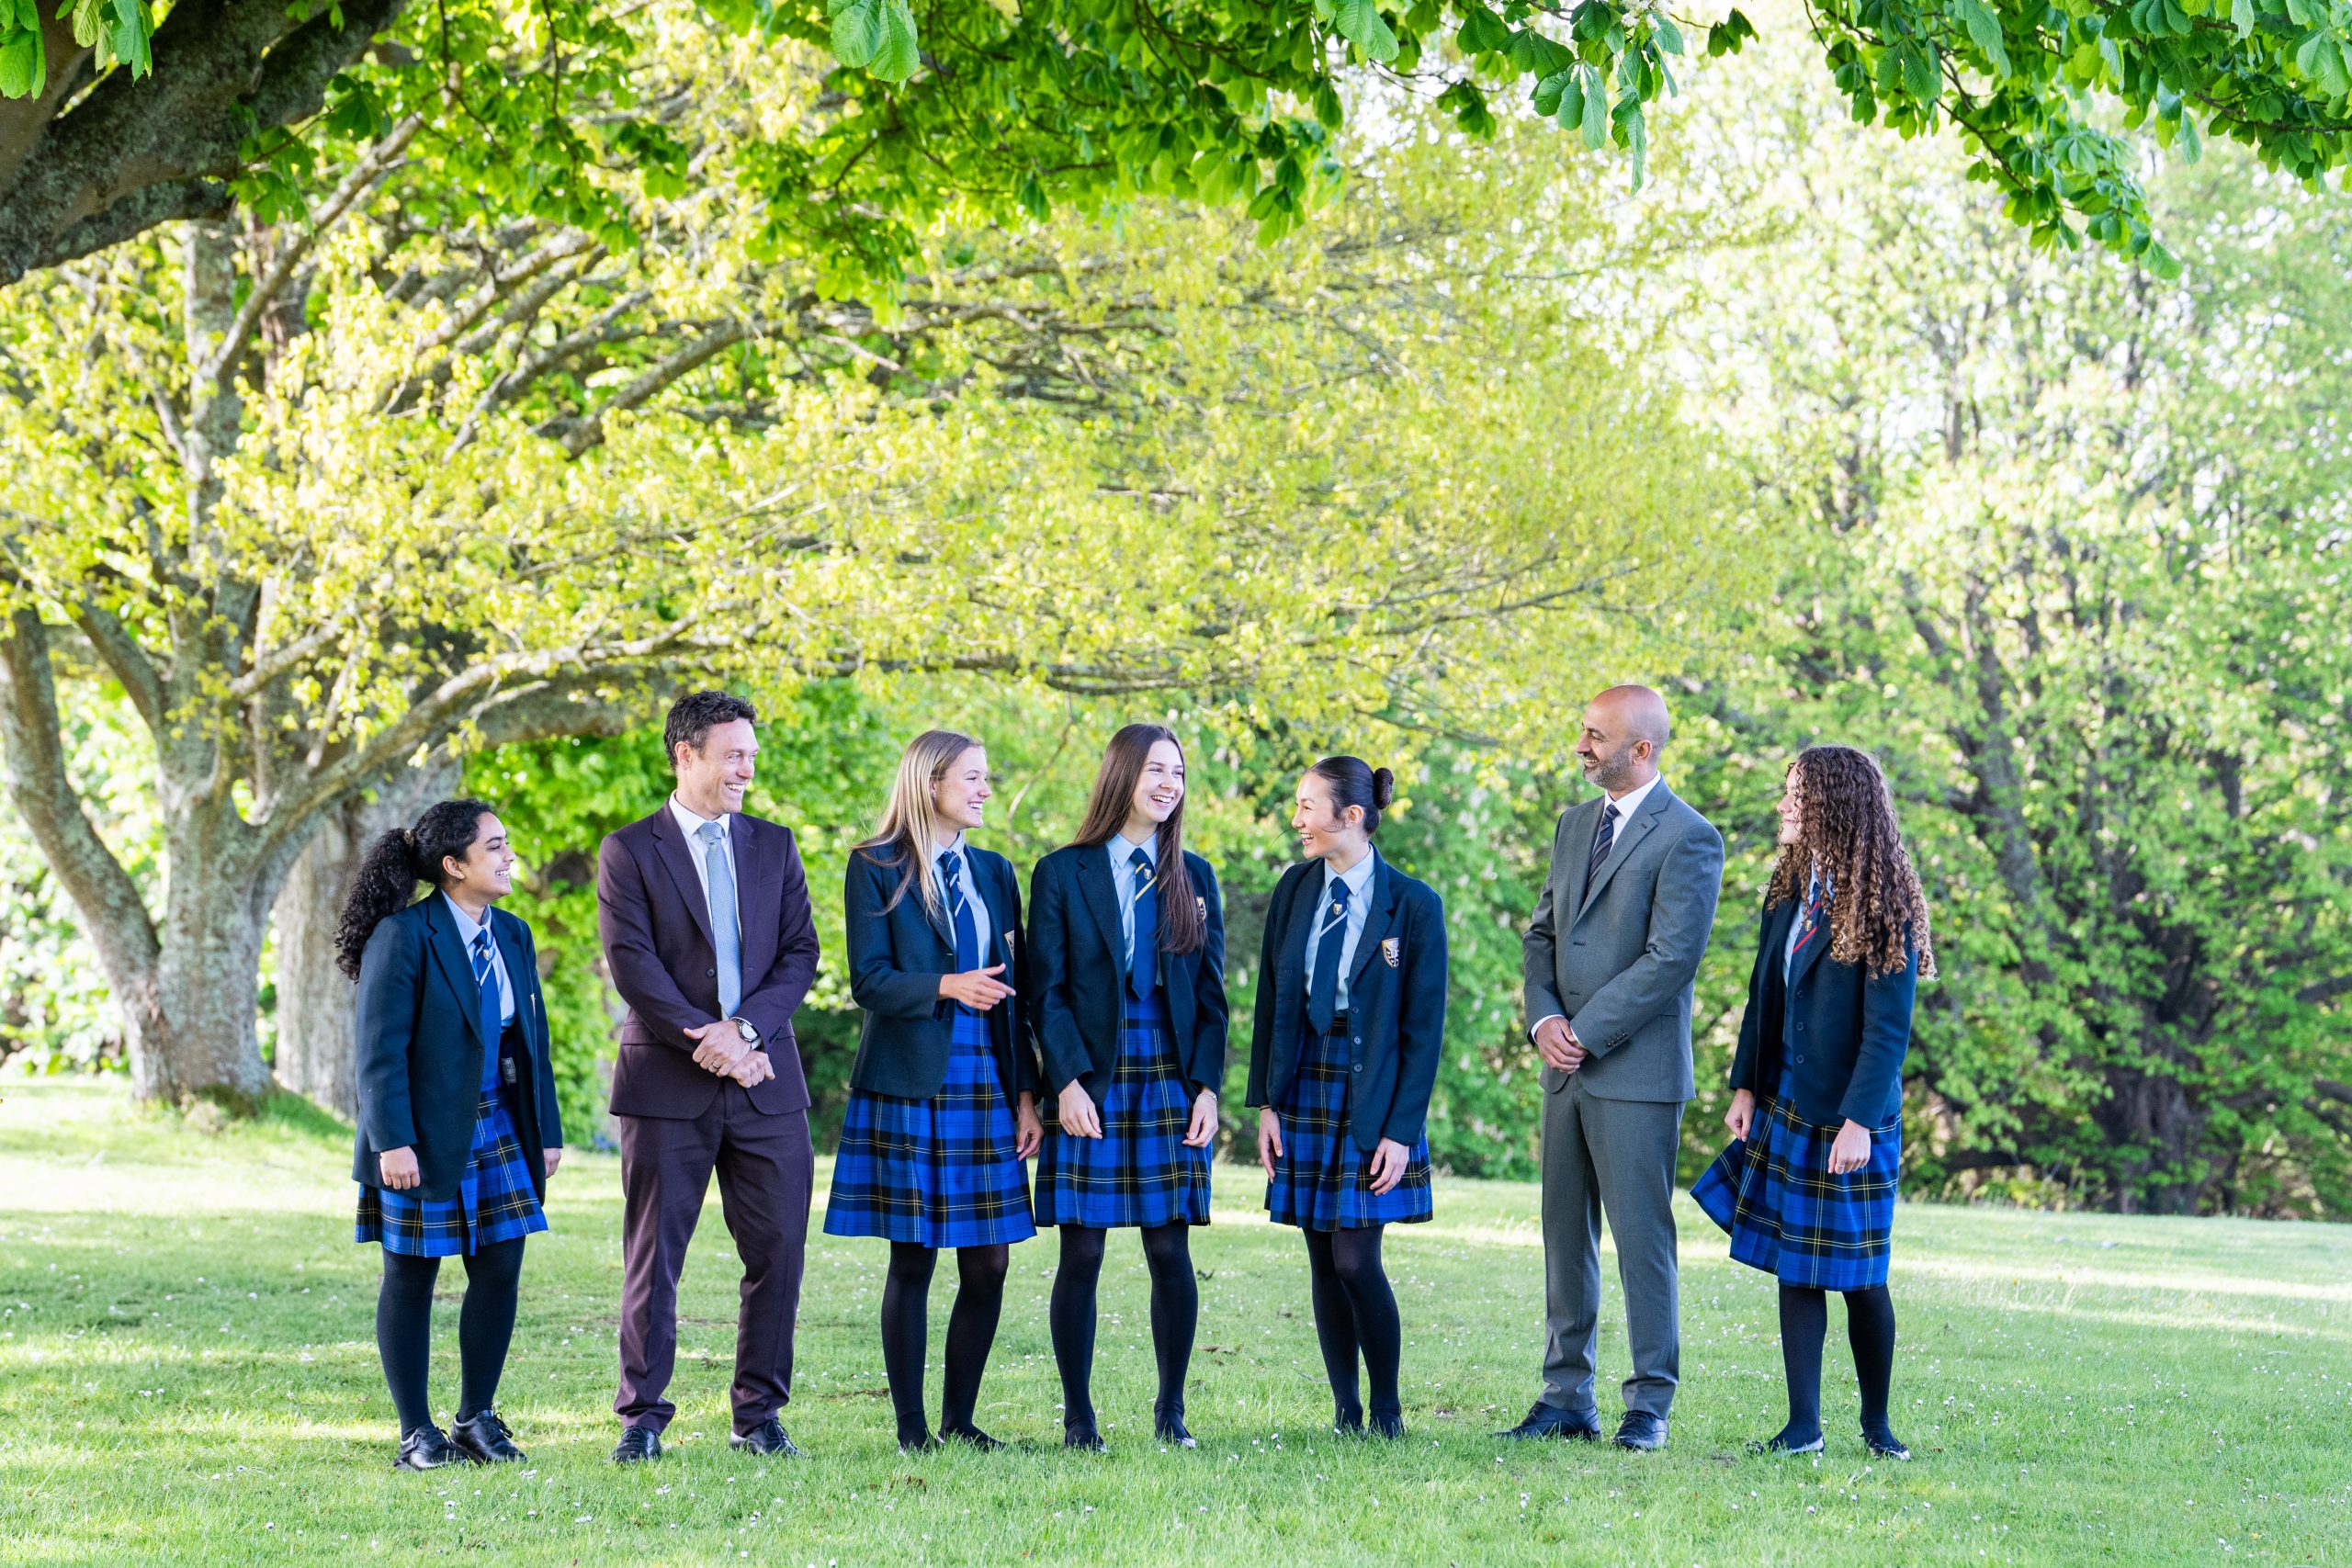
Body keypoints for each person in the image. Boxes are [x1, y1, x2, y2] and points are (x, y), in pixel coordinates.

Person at [596, 691, 822, 1463]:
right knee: (656, 1255)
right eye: (734, 754)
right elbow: (634, 966)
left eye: (752, 755)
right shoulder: (629, 850)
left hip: (767, 1080)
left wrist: (748, 1031)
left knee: (780, 1249)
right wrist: (713, 1040)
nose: (747, 769)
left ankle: (757, 1415)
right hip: (667, 1083)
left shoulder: (774, 844)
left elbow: (801, 954)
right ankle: (643, 1418)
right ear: (685, 753)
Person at [1692, 744, 1931, 1461]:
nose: (1782, 806)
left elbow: (1889, 1030)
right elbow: (1764, 996)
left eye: (1795, 795)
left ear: (1834, 802)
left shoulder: (1884, 901)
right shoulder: (1790, 888)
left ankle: (1877, 1425)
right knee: (1797, 1265)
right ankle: (1802, 1427)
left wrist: (1860, 1120)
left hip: (1852, 1115)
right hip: (1788, 1102)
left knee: (1861, 1276)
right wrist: (1746, 1084)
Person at [1504, 684, 1724, 1451]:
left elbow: (1672, 959)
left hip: (1635, 1072)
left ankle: (1649, 1404)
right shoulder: (1572, 827)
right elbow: (1541, 935)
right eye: (1583, 732)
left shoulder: (1691, 837)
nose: (1581, 746)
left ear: (1643, 748)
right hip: (1563, 1069)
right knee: (1565, 1238)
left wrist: (1585, 1031)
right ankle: (1566, 1396)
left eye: (1596, 736)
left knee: (1641, 1241)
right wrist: (1545, 1021)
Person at [825, 730, 1043, 1453]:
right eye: (974, 777)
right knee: (912, 1255)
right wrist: (948, 984)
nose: (985, 789)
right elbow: (870, 980)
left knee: (990, 1258)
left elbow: (1014, 995)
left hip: (987, 1075)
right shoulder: (875, 865)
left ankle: (960, 1417)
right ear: (930, 783)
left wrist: (1026, 1093)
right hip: (910, 1078)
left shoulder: (995, 870)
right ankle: (912, 1427)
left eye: (987, 777)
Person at [339, 798, 564, 1471]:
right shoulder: (404, 936)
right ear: (453, 864)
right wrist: (393, 1141)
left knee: (500, 1271)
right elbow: (377, 1049)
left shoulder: (515, 933)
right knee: (410, 1276)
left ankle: (476, 1419)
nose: (507, 855)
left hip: (499, 1124)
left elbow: (534, 1042)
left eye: (506, 843)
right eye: (494, 846)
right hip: (417, 1130)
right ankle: (417, 1432)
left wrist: (544, 1130)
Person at [1028, 724, 1228, 1450]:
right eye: (1155, 768)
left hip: (1170, 1083)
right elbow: (1042, 991)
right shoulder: (1062, 871)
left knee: (1169, 1250)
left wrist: (1206, 1087)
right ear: (1122, 774)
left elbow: (1213, 998)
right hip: (1093, 1077)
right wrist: (1069, 1081)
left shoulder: (1196, 875)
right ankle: (1079, 1418)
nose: (1169, 782)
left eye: (1178, 770)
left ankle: (1170, 1410)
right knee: (1080, 1253)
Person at [1247, 756, 1445, 1439]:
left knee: (1355, 1258)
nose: (1297, 819)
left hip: (1375, 1095)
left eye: (1308, 806)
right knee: (1320, 1257)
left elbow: (1424, 1031)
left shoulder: (1414, 905)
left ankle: (1386, 1406)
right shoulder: (1295, 890)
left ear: (1351, 816)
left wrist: (1400, 1129)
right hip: (1304, 1084)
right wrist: (1266, 1103)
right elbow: (1272, 1001)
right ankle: (1345, 1410)